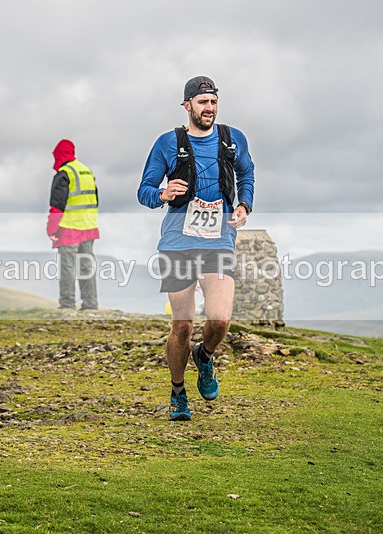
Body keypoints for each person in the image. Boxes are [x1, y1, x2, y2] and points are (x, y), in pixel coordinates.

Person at [137, 76, 255, 421]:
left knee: (220, 319)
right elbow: (144, 191)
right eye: (203, 102)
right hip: (178, 243)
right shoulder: (167, 143)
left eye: (213, 102)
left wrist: (244, 204)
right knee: (183, 326)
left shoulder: (233, 139)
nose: (209, 108)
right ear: (187, 105)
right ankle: (178, 392)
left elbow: (247, 174)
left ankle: (204, 355)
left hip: (219, 240)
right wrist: (162, 194)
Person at [46, 139, 99, 310]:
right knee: (86, 267)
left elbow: (57, 206)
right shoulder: (86, 171)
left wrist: (52, 229)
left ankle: (67, 304)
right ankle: (90, 304)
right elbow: (95, 200)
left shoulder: (64, 173)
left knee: (67, 268)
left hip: (69, 227)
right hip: (89, 227)